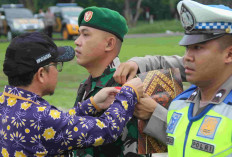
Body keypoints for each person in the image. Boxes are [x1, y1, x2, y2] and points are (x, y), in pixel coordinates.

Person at [0, 32, 143, 156]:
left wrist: (92, 105)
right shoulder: (41, 118)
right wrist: (129, 92)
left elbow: (58, 124)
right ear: (41, 74)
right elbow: (107, 129)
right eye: (56, 65)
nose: (58, 71)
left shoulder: (5, 103)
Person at [118, 0, 232, 156]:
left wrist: (154, 114)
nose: (187, 58)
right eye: (187, 48)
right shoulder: (180, 104)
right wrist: (138, 63)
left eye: (198, 47)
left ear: (229, 54)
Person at [73, 6, 141, 157]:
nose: (77, 41)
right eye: (79, 35)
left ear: (109, 44)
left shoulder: (125, 87)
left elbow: (133, 149)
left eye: (85, 35)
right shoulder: (86, 85)